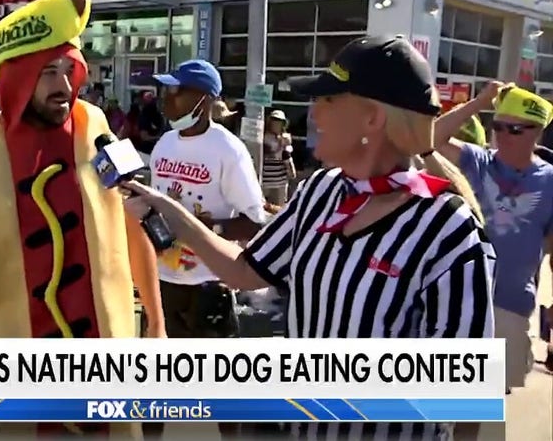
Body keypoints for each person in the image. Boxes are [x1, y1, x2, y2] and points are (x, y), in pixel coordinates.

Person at [122, 35, 494, 441]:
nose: (312, 114)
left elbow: (466, 392)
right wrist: (168, 210)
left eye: (328, 100)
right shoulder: (320, 191)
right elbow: (244, 271)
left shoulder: (448, 228)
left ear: (372, 118)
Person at [0, 0, 163, 439]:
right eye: (47, 72)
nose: (64, 86)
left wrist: (157, 328)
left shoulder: (101, 137)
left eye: (69, 69)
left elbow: (134, 226)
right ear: (16, 79)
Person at [144, 59, 265, 440]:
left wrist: (200, 227)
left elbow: (253, 220)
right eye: (167, 90)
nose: (167, 99)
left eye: (177, 91)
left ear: (204, 100)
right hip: (161, 281)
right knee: (153, 384)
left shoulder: (228, 150)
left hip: (209, 285)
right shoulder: (164, 143)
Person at [434, 83, 553, 394]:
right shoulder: (478, 161)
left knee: (484, 412)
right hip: (458, 301)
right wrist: (481, 101)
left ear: (536, 132)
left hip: (509, 307)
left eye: (512, 128)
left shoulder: (551, 182)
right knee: (447, 402)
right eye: (497, 126)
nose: (500, 135)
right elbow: (429, 139)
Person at [262, 109, 296, 205]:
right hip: (265, 180)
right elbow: (264, 153)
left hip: (280, 180)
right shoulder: (263, 137)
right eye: (274, 120)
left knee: (279, 209)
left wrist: (291, 170)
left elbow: (287, 156)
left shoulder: (286, 138)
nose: (276, 123)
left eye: (279, 121)